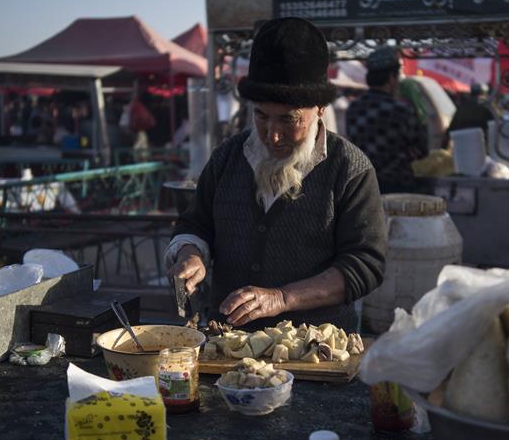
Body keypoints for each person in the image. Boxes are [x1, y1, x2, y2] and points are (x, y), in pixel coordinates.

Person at [164, 17, 386, 332]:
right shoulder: (227, 158)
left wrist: (282, 298)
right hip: (228, 343)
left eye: (288, 120)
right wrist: (191, 254)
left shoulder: (350, 168)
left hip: (314, 351)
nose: (273, 136)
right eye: (262, 116)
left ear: (319, 107)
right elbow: (194, 223)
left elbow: (365, 264)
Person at [345, 46, 428, 193]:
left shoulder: (353, 109)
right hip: (398, 186)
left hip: (363, 187)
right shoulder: (401, 110)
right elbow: (422, 149)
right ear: (391, 78)